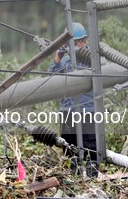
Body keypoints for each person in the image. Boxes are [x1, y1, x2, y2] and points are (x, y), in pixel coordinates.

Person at [49, 22, 98, 177]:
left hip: (87, 110)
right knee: (70, 148)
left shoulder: (92, 59)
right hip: (67, 111)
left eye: (75, 43)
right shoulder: (64, 61)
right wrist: (57, 58)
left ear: (84, 41)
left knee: (91, 149)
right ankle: (75, 180)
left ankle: (92, 180)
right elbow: (51, 81)